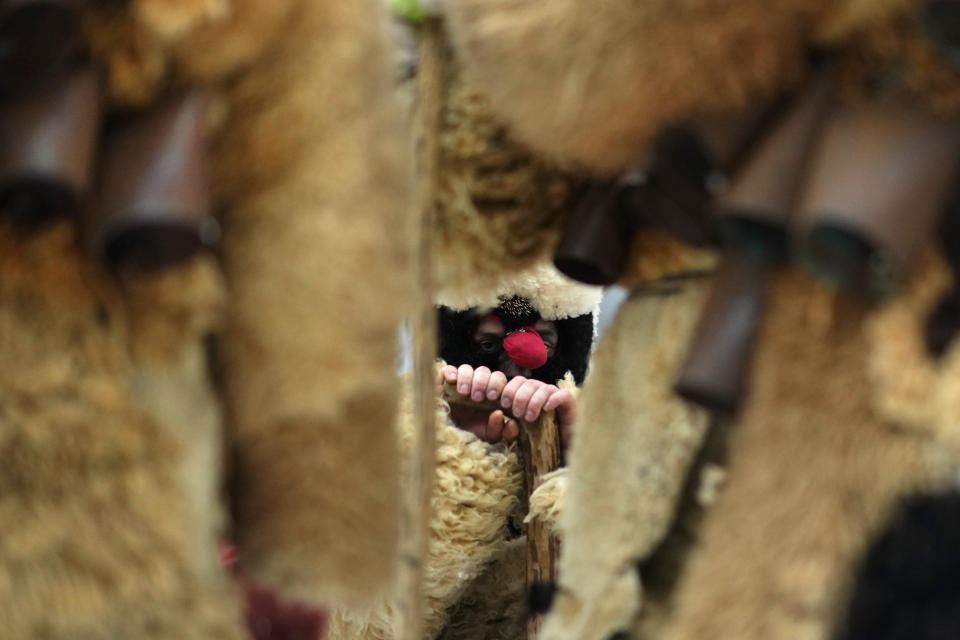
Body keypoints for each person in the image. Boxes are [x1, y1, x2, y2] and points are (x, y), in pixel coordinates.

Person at [437, 288, 597, 448]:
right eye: (488, 346)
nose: (515, 374)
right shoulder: (424, 419)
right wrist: (446, 431)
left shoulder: (598, 432)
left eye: (544, 346)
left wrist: (572, 451)